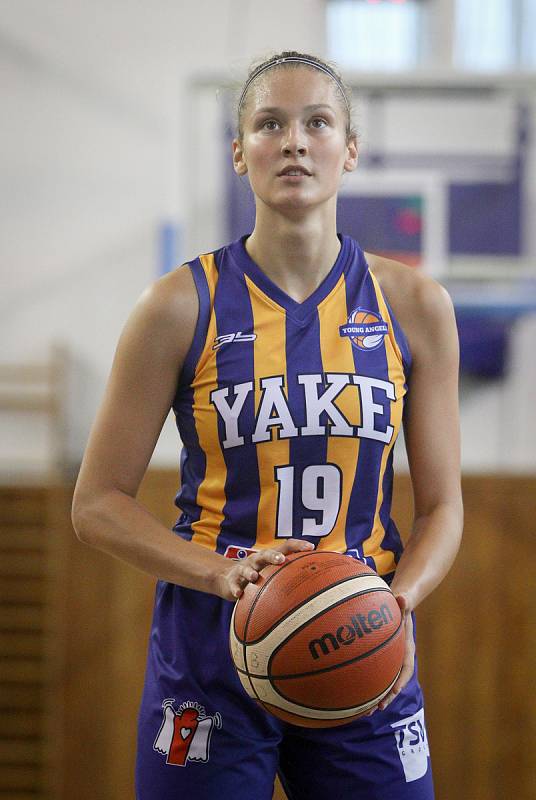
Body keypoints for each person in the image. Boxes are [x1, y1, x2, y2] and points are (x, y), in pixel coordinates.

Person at [71, 50, 463, 800]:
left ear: (350, 149)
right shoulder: (176, 306)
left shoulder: (414, 306)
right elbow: (96, 504)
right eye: (269, 124)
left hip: (359, 643)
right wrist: (223, 574)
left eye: (318, 122)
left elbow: (443, 507)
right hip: (210, 650)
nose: (293, 142)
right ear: (239, 152)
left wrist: (396, 602)